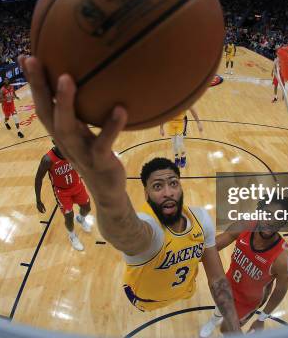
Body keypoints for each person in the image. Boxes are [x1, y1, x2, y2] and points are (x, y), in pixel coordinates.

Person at [19, 55, 240, 333]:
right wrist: (104, 191)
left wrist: (233, 326)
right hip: (144, 299)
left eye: (173, 182)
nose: (168, 191)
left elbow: (217, 279)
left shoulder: (201, 220)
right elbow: (122, 229)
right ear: (146, 196)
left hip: (184, 289)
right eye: (157, 186)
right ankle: (76, 227)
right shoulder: (147, 230)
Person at [200, 198, 288, 336]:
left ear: (284, 222)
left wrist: (262, 319)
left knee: (227, 329)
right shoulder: (245, 224)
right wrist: (190, 255)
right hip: (228, 283)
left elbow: (280, 291)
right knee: (219, 308)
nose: (271, 220)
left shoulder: (284, 257)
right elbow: (213, 246)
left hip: (248, 302)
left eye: (279, 217)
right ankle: (213, 321)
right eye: (267, 213)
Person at [34, 140, 92, 251]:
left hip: (77, 185)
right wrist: (38, 200)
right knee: (69, 217)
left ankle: (81, 219)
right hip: (62, 192)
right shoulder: (47, 159)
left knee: (87, 207)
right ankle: (72, 236)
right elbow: (38, 179)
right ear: (54, 141)